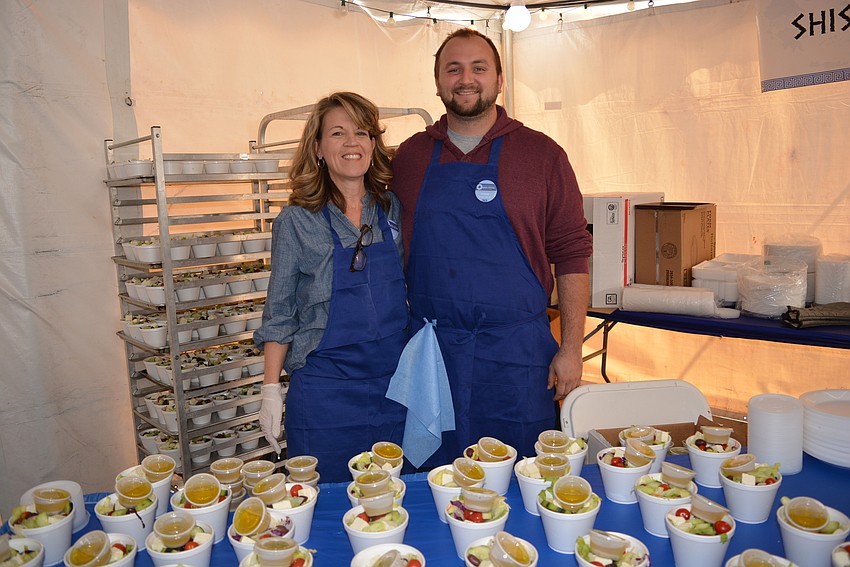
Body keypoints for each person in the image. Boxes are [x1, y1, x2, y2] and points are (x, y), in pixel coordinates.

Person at [391, 29, 593, 467]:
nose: (466, 79)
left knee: (521, 475)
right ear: (438, 82)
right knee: (433, 479)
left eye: (478, 68)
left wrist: (572, 348)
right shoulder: (407, 158)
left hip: (517, 356)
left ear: (499, 80)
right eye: (454, 69)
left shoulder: (542, 155)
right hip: (432, 353)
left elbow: (572, 251)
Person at [254, 91, 409, 482]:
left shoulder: (391, 209)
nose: (351, 143)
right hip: (326, 394)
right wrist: (271, 389)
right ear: (319, 148)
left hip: (395, 387)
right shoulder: (296, 221)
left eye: (361, 132)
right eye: (337, 133)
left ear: (374, 144)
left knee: (392, 498)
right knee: (324, 504)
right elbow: (280, 313)